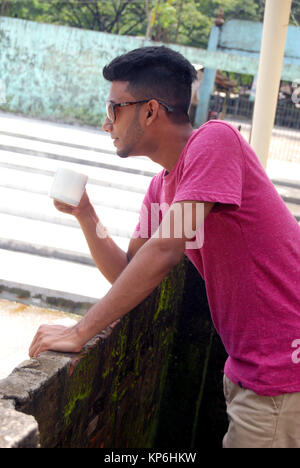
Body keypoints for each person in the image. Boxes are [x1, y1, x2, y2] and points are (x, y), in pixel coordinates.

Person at [29, 46, 300, 448]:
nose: (107, 124)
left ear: (150, 110)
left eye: (113, 109)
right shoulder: (163, 188)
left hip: (281, 367)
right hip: (245, 366)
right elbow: (129, 271)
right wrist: (87, 215)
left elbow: (164, 252)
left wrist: (80, 330)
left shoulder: (214, 141)